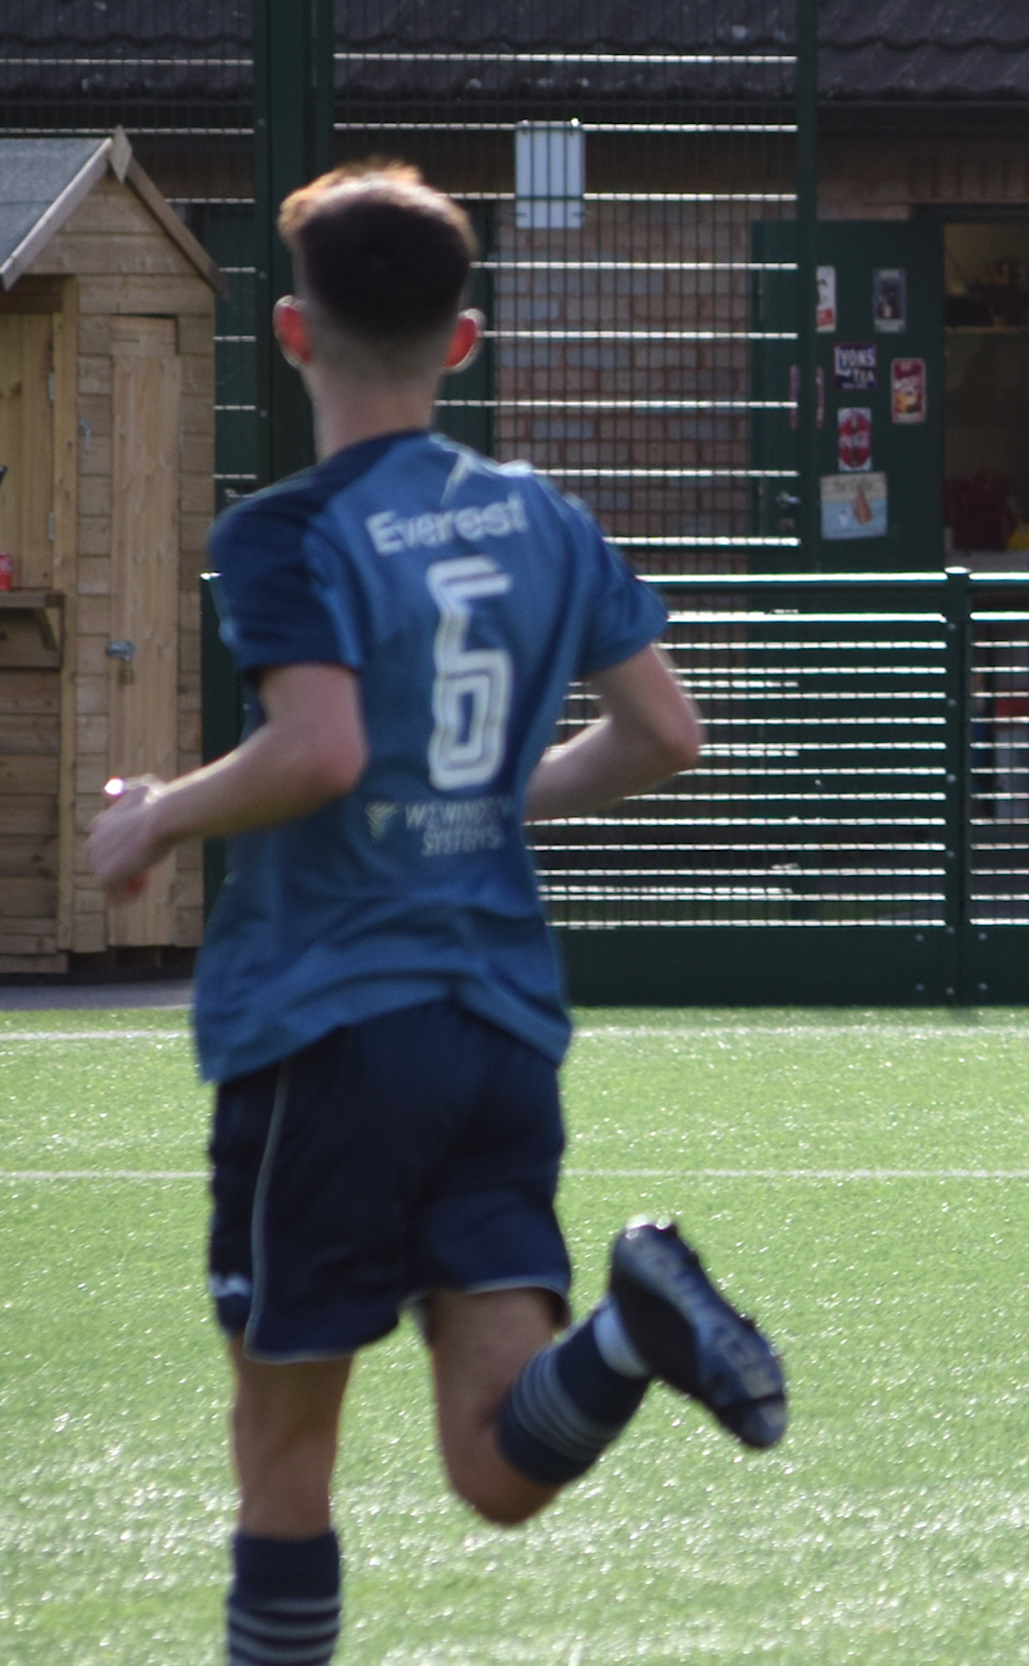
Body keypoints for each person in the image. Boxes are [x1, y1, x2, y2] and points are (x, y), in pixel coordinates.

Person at [87, 162, 786, 1666]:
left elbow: (321, 750)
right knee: (494, 1463)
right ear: (463, 342)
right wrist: (493, 801)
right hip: (499, 1033)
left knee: (285, 1456)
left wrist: (156, 815)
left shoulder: (285, 531)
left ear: (290, 333)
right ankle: (632, 1332)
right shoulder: (541, 519)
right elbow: (667, 732)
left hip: (328, 1028)